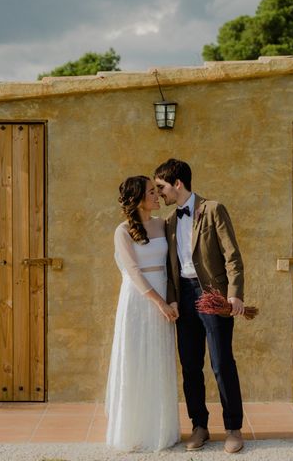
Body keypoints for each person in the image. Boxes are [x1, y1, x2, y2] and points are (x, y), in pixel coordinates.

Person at [154, 159, 245, 454]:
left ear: (177, 183)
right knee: (191, 366)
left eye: (161, 187)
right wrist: (172, 300)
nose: (160, 194)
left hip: (213, 296)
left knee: (221, 363)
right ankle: (199, 427)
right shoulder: (169, 222)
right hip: (185, 298)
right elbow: (170, 269)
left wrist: (235, 295)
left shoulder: (213, 209)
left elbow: (232, 255)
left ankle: (233, 429)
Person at [105, 175, 180, 452]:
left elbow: (173, 265)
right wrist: (159, 303)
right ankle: (133, 431)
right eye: (151, 191)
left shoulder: (163, 224)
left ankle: (160, 430)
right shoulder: (122, 231)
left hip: (163, 297)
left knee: (158, 360)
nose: (157, 195)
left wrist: (171, 301)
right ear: (137, 198)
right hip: (138, 301)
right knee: (135, 360)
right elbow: (133, 272)